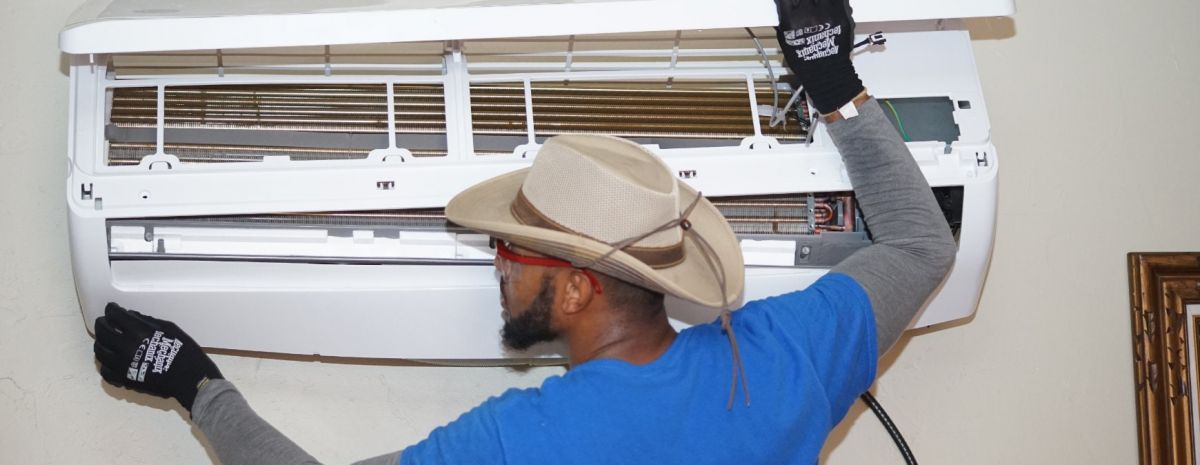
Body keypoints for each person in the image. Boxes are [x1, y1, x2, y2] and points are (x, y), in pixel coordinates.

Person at [91, 1, 957, 463]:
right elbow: (922, 247)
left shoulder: (522, 443)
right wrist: (833, 79)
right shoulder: (773, 362)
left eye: (512, 247)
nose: (496, 264)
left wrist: (197, 386)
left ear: (579, 285)